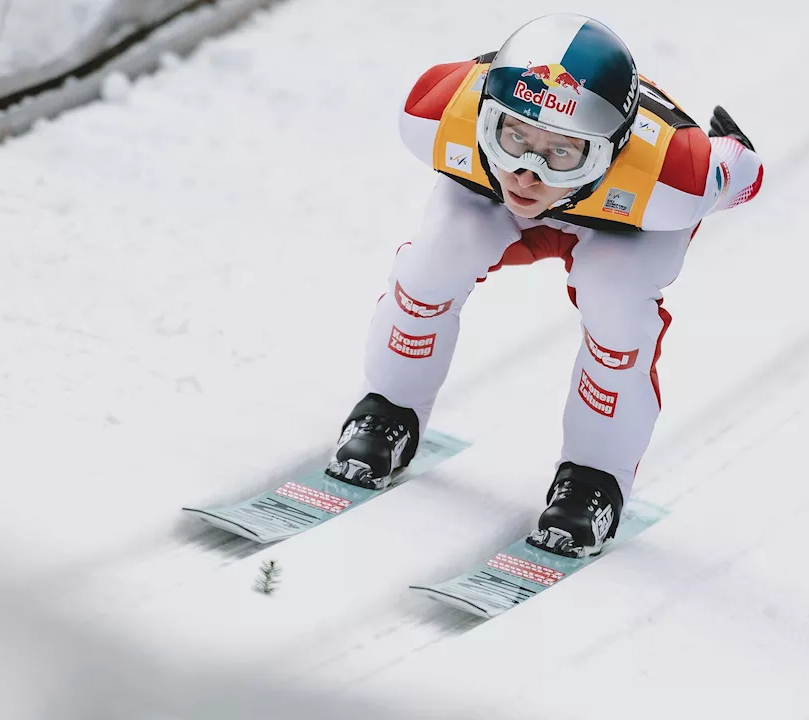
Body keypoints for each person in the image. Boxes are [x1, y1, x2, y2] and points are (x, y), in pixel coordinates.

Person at [324, 13, 763, 558]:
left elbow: (735, 172)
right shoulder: (436, 113)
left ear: (613, 149)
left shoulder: (674, 179)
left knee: (617, 308)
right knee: (438, 256)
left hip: (624, 230)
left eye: (561, 151)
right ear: (484, 118)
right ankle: (389, 409)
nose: (528, 173)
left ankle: (593, 479)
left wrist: (736, 155)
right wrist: (549, 160)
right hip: (514, 203)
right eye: (513, 137)